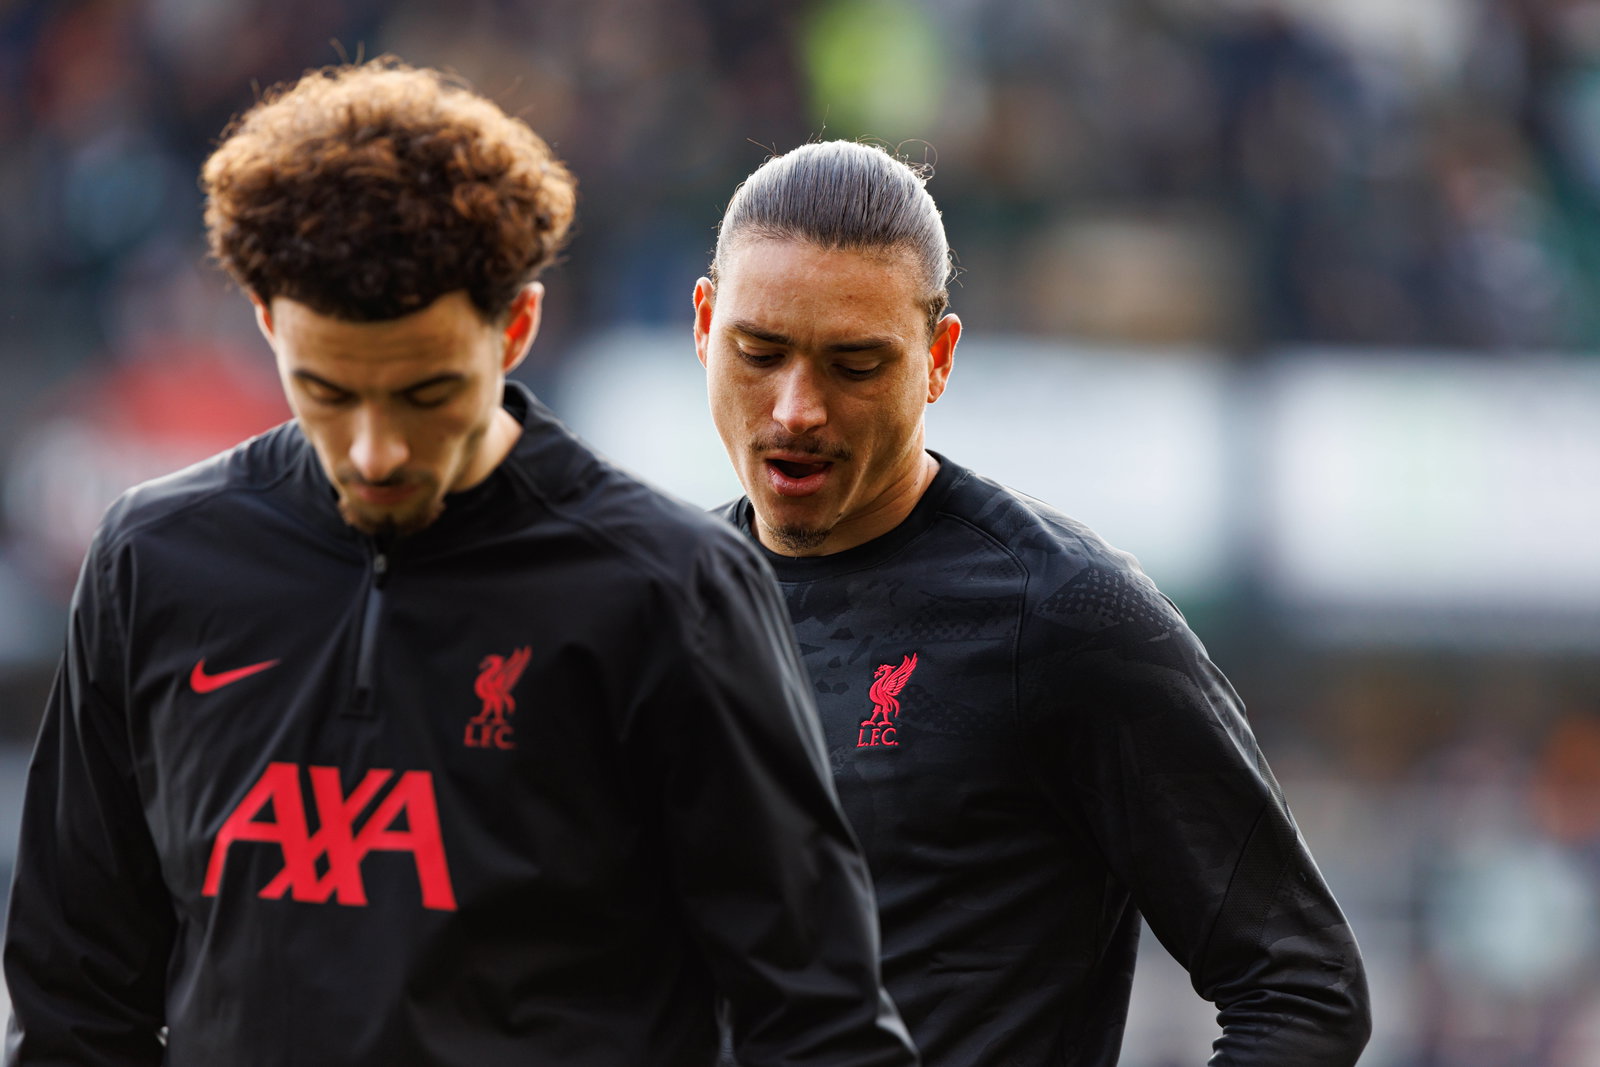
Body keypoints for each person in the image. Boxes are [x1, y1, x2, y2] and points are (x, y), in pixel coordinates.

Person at [3, 64, 917, 1067]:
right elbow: (71, 1001)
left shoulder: (669, 590)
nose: (374, 449)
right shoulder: (154, 561)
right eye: (328, 389)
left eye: (427, 391)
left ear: (515, 328)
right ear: (266, 319)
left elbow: (819, 1025)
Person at [692, 140, 1372, 1065]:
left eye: (854, 365)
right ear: (705, 325)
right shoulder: (660, 605)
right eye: (760, 352)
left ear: (938, 358)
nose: (796, 408)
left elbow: (1304, 987)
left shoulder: (1063, 615)